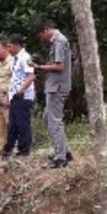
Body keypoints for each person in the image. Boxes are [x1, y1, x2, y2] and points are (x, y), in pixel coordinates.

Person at [34, 19, 74, 168]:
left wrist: (39, 66)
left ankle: (60, 158)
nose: (41, 39)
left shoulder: (59, 41)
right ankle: (65, 151)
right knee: (47, 118)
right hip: (55, 86)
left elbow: (59, 66)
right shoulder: (59, 41)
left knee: (54, 121)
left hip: (57, 87)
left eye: (40, 36)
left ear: (45, 30)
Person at [0, 34, 36, 156]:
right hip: (15, 96)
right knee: (13, 124)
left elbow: (31, 76)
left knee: (22, 123)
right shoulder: (15, 59)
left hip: (23, 96)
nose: (8, 49)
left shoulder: (25, 57)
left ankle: (24, 149)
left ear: (17, 45)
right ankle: (8, 148)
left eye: (9, 46)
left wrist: (20, 90)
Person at [0, 40, 13, 152]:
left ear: (6, 48)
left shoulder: (13, 62)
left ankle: (14, 150)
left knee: (11, 127)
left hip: (10, 99)